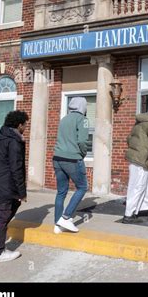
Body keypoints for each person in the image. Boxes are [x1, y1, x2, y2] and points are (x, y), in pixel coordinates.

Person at [0, 110, 29, 263]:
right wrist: (22, 192)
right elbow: (16, 167)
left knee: (13, 205)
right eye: (25, 125)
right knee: (3, 215)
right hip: (5, 184)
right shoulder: (14, 141)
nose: (25, 128)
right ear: (19, 124)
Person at [53, 97, 89, 234]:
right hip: (72, 159)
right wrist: (83, 154)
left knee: (61, 191)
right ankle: (66, 217)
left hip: (57, 158)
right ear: (82, 106)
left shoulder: (64, 119)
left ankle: (57, 225)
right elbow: (82, 141)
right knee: (82, 187)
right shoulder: (83, 120)